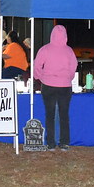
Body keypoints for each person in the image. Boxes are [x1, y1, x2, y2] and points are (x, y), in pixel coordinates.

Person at [33, 23, 78, 151]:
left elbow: (37, 66)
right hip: (64, 86)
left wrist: (40, 77)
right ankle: (64, 142)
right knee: (64, 115)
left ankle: (51, 143)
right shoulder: (69, 51)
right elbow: (73, 67)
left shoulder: (45, 49)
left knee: (50, 115)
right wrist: (68, 78)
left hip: (48, 85)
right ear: (65, 36)